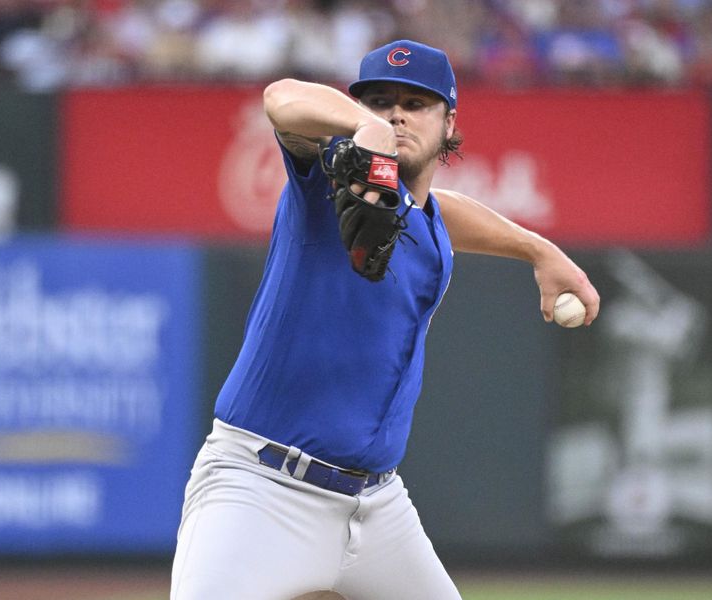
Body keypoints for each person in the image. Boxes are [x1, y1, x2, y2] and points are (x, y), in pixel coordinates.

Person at [170, 40, 600, 600]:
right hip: (261, 488)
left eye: (414, 103)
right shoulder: (330, 184)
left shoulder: (427, 224)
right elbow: (282, 99)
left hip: (377, 508)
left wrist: (540, 251)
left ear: (450, 123)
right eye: (378, 100)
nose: (394, 113)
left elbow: (442, 214)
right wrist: (360, 128)